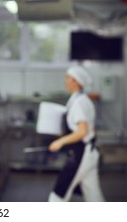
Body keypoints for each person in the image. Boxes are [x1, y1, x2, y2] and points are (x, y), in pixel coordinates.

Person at [48, 65, 105, 202]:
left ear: (76, 81)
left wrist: (60, 142)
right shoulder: (82, 99)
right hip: (89, 153)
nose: (65, 81)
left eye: (68, 78)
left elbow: (82, 131)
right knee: (94, 197)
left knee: (57, 196)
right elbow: (92, 130)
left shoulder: (79, 102)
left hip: (81, 155)